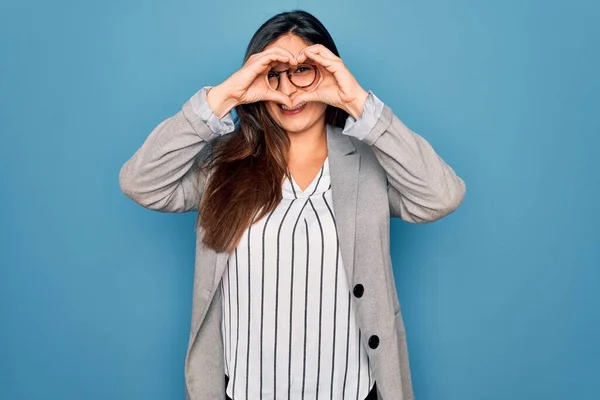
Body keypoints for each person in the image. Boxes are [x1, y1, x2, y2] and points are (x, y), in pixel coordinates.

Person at [119, 9, 466, 400]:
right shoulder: (222, 169)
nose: (289, 90)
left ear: (329, 69)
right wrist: (225, 96)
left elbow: (442, 196)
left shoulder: (370, 164)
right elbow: (140, 182)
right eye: (274, 74)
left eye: (304, 70)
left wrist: (357, 102)